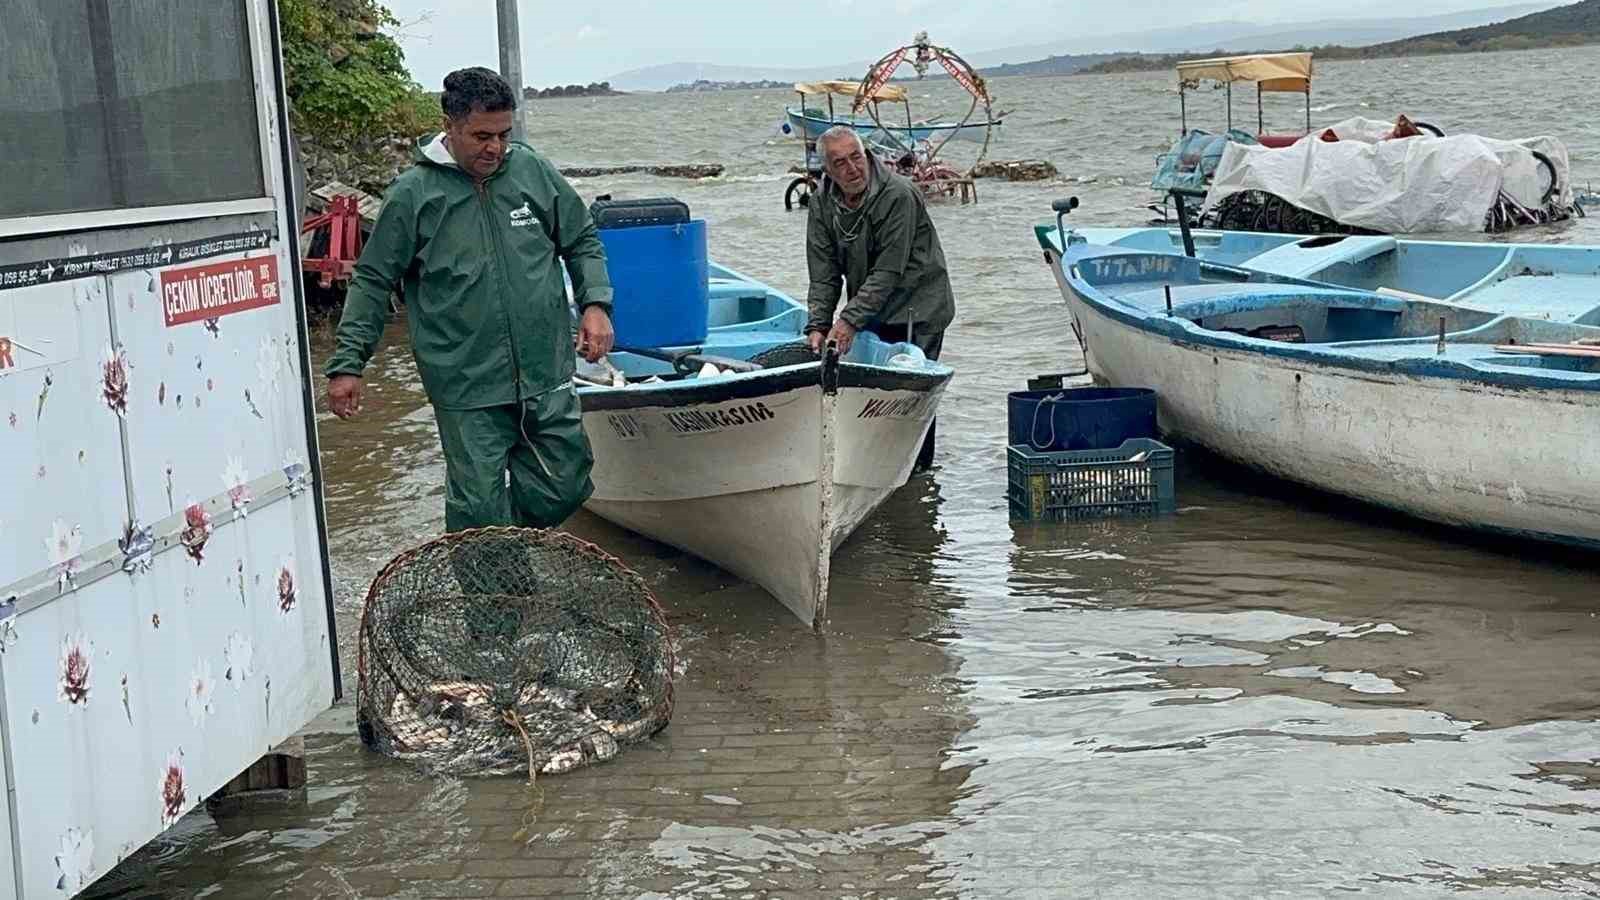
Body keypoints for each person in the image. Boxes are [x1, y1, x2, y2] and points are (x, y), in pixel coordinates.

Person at [323, 66, 614, 536]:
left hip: (544, 368)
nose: (495, 148)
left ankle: (502, 549)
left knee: (566, 484)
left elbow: (581, 239)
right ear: (449, 126)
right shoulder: (413, 194)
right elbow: (373, 280)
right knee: (478, 509)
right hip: (464, 382)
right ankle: (494, 573)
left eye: (504, 135)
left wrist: (595, 304)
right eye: (482, 136)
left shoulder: (532, 171)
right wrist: (348, 364)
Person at [805, 125, 955, 470]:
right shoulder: (821, 202)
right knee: (870, 401)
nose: (852, 169)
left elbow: (889, 271)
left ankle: (919, 475)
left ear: (867, 154)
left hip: (919, 308)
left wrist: (848, 320)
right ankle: (873, 469)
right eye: (840, 163)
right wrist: (818, 324)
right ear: (826, 170)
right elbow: (823, 271)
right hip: (871, 308)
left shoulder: (898, 194)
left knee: (910, 399)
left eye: (856, 157)